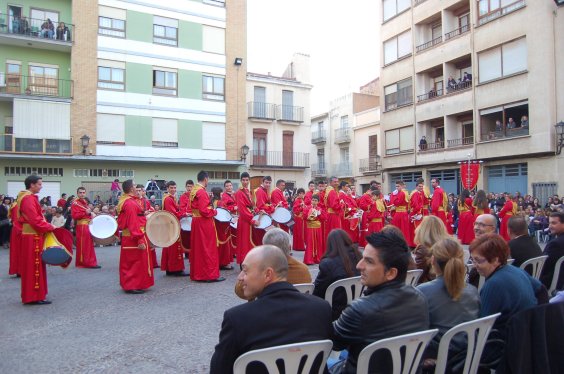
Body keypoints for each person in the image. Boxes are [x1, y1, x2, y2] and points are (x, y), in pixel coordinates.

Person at [210, 245, 332, 374]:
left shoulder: (237, 318)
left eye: (245, 271)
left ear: (268, 274)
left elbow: (219, 369)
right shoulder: (321, 308)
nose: (240, 277)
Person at [330, 230, 429, 374]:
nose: (359, 265)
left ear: (391, 273)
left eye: (369, 261)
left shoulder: (360, 309)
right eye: (362, 258)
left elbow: (333, 342)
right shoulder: (419, 298)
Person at [469, 234, 543, 368]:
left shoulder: (494, 284)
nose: (475, 266)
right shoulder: (515, 271)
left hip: (503, 348)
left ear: (496, 260)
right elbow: (540, 289)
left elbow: (483, 327)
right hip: (526, 340)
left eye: (478, 261)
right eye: (472, 260)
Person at [417, 238, 479, 362]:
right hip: (468, 356)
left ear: (433, 260)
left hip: (438, 358)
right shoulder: (472, 291)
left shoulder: (423, 291)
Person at [235, 228, 311, 300]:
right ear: (290, 247)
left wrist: (245, 270)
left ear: (265, 248)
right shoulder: (303, 269)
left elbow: (240, 292)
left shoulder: (261, 272)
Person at [17, 175, 56, 304]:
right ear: (32, 185)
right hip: (32, 237)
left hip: (33, 235)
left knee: (33, 266)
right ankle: (34, 296)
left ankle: (35, 295)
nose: (41, 186)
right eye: (39, 184)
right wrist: (50, 226)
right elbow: (35, 220)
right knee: (34, 266)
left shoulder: (27, 197)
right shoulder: (28, 198)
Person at [313, 229, 362, 321]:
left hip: (334, 310)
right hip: (357, 306)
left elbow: (317, 291)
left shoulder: (327, 263)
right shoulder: (359, 257)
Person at [116, 180, 154, 294]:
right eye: (134, 185)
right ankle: (132, 285)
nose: (135, 186)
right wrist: (140, 239)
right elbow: (133, 223)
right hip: (133, 237)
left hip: (130, 236)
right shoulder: (130, 203)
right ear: (131, 188)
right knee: (134, 263)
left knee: (133, 262)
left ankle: (133, 284)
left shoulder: (127, 201)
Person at [190, 170, 224, 282]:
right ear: (205, 179)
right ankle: (209, 274)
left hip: (196, 221)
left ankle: (198, 273)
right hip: (203, 222)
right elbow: (204, 210)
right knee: (208, 248)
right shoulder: (202, 192)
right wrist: (214, 212)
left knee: (199, 248)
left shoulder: (194, 190)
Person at [161, 181, 189, 277]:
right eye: (171, 188)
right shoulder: (168, 199)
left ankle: (170, 268)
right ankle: (176, 269)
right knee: (174, 247)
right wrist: (184, 214)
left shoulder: (170, 198)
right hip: (172, 225)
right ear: (167, 188)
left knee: (170, 247)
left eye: (174, 187)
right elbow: (172, 213)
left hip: (169, 225)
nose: (173, 189)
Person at [414, 215, 451, 284]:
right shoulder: (448, 246)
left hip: (427, 288)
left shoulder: (423, 249)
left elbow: (417, 276)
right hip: (448, 285)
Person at [71, 187, 101, 269]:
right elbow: (74, 216)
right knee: (85, 245)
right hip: (82, 226)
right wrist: (86, 212)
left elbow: (86, 214)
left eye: (83, 192)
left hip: (86, 225)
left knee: (88, 244)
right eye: (80, 192)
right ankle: (88, 263)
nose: (82, 194)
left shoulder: (84, 202)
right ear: (77, 193)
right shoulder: (75, 203)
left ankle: (87, 262)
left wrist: (90, 215)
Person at [234, 173, 257, 265]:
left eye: (247, 180)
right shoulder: (239, 192)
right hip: (244, 220)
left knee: (248, 241)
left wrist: (257, 211)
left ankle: (249, 261)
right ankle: (244, 261)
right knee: (245, 241)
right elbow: (242, 209)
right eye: (243, 180)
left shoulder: (248, 191)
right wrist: (252, 220)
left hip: (248, 217)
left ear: (249, 180)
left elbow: (251, 206)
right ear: (241, 181)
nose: (245, 182)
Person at [539, 212, 564, 290]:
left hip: (553, 283)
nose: (550, 226)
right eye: (549, 223)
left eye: (554, 223)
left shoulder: (555, 244)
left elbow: (543, 265)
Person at [217, 180, 236, 269]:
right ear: (225, 188)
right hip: (227, 219)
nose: (229, 187)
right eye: (227, 186)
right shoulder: (224, 196)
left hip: (233, 218)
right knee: (226, 240)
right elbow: (224, 208)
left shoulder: (233, 195)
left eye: (230, 185)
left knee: (229, 240)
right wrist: (234, 207)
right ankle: (224, 261)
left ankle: (228, 258)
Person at [304, 194, 327, 265]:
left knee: (318, 243)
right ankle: (309, 259)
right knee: (310, 243)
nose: (314, 202)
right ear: (311, 200)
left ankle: (318, 258)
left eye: (315, 200)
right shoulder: (307, 208)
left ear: (318, 202)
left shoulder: (320, 209)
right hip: (310, 227)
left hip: (318, 228)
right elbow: (304, 217)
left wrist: (319, 214)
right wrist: (309, 213)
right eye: (313, 200)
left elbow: (324, 218)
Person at [252, 176, 274, 246]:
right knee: (261, 236)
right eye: (266, 182)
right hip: (261, 216)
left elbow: (267, 203)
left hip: (264, 215)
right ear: (262, 182)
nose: (268, 184)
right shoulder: (260, 191)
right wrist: (271, 207)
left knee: (262, 236)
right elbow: (261, 206)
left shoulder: (264, 190)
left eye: (269, 183)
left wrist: (271, 205)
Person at [391, 180, 413, 247]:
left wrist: (393, 196)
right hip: (404, 212)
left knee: (397, 229)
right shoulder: (406, 192)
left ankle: (397, 244)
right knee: (404, 229)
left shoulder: (401, 193)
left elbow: (396, 203)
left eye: (398, 186)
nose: (397, 188)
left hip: (399, 213)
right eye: (396, 186)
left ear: (402, 186)